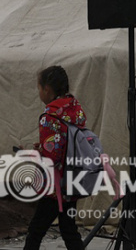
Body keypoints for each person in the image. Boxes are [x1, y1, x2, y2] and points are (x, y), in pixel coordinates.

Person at [23, 65, 87, 250]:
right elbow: (67, 141)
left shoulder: (49, 115)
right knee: (68, 228)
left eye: (39, 88)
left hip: (55, 185)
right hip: (74, 178)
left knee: (35, 230)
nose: (39, 93)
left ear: (47, 89)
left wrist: (36, 154)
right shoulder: (76, 109)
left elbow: (52, 157)